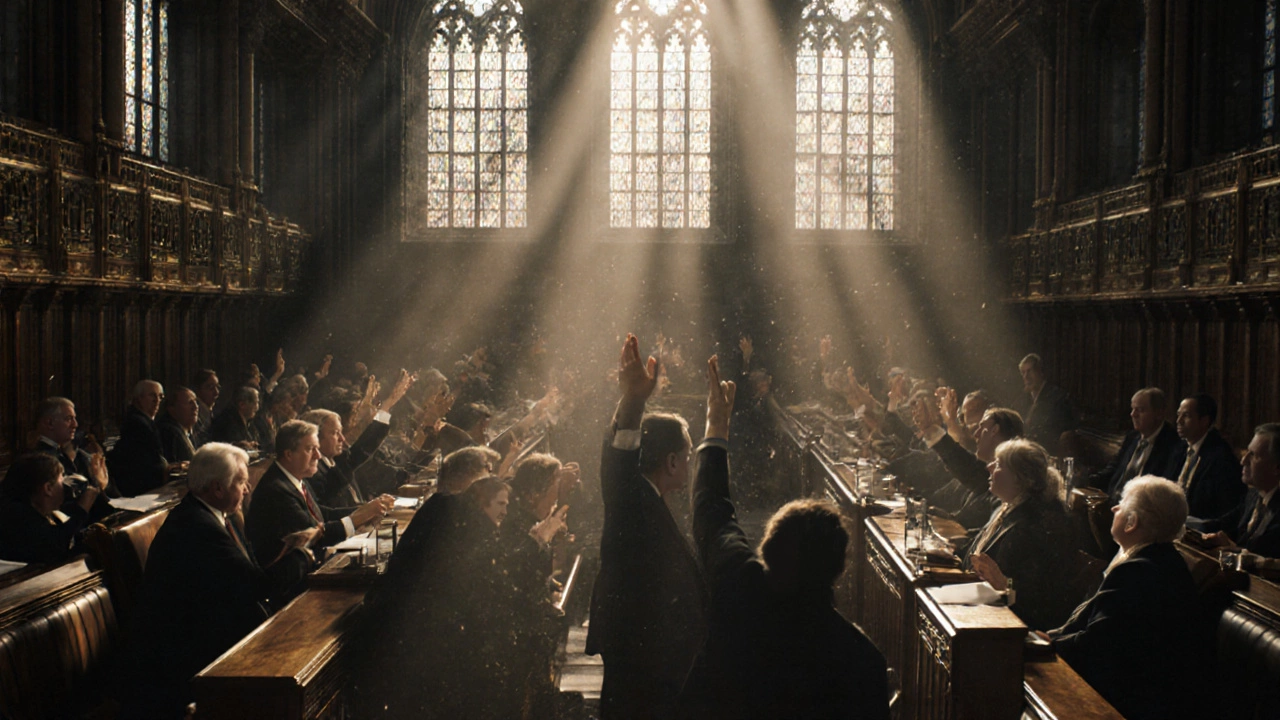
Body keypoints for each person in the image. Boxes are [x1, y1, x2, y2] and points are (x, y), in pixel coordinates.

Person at [679, 356, 889, 719]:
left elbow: (711, 511)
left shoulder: (738, 584)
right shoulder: (860, 658)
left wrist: (716, 427)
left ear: (767, 546)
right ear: (839, 568)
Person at [586, 334, 707, 719]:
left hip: (655, 665)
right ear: (672, 462)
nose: (689, 467)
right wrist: (634, 401)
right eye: (687, 457)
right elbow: (619, 461)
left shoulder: (650, 501)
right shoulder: (632, 499)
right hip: (642, 667)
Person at [118, 443, 271, 719]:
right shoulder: (196, 526)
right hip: (182, 658)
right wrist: (300, 552)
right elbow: (255, 585)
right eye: (241, 482)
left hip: (204, 630)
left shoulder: (213, 514)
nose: (247, 490)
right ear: (217, 488)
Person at [1047, 477, 1203, 720]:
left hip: (1130, 702)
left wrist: (1042, 645)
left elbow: (1097, 644)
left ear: (1132, 522)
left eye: (1121, 503)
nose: (1113, 508)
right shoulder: (1159, 558)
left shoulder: (1138, 571)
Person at [244, 420, 395, 602]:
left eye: (317, 448)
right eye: (310, 449)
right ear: (289, 454)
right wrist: (357, 518)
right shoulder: (276, 491)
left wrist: (366, 510)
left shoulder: (293, 478)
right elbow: (314, 535)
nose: (317, 455)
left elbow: (322, 514)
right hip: (291, 590)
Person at [965, 438, 1079, 630]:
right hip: (989, 608)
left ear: (1022, 478)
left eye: (999, 464)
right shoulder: (1010, 508)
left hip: (1014, 625)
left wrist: (1004, 583)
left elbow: (1039, 594)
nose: (989, 467)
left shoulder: (1034, 522)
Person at [0, 453, 107, 564]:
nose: (65, 485)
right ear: (48, 488)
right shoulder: (16, 515)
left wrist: (96, 489)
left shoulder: (44, 510)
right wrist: (83, 508)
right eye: (61, 478)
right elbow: (55, 546)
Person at [1202, 423, 1280, 558]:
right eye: (1247, 452)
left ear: (1277, 468)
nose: (1243, 460)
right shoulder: (1254, 494)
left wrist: (1234, 550)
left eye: (1254, 455)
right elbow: (1221, 524)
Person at [1089, 387, 1181, 500]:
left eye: (1140, 410)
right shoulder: (1132, 437)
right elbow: (1114, 468)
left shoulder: (1173, 444)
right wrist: (1088, 480)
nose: (1133, 414)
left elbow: (1160, 489)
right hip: (1112, 501)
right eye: (1133, 409)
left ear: (1159, 414)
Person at [1170, 394, 1245, 519]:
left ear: (1204, 421)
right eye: (1178, 415)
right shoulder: (1179, 448)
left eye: (1186, 416)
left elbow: (1223, 507)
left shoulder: (1221, 457)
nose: (1178, 421)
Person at [301, 407, 393, 507]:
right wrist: (367, 510)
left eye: (341, 432)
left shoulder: (338, 459)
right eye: (335, 433)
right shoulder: (313, 471)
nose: (342, 438)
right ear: (316, 437)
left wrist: (384, 411)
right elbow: (329, 510)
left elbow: (365, 446)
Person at [33, 397, 114, 502]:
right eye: (68, 419)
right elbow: (71, 502)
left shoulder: (62, 453)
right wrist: (98, 485)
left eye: (74, 419)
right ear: (50, 423)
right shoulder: (43, 459)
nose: (75, 424)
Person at [109, 380, 179, 496]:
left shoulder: (146, 422)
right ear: (138, 398)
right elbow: (149, 464)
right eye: (152, 395)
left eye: (160, 397)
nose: (157, 401)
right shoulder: (138, 424)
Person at [1018, 354, 1076, 455]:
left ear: (1040, 372)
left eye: (1029, 371)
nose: (1026, 376)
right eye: (1023, 372)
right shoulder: (1023, 398)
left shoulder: (1058, 397)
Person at [157, 387, 199, 465]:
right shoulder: (169, 433)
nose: (195, 407)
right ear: (172, 408)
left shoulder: (191, 430)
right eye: (190, 402)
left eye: (195, 402)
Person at [191, 369, 220, 447]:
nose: (216, 392)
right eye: (211, 387)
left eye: (217, 387)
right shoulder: (193, 412)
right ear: (198, 389)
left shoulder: (211, 411)